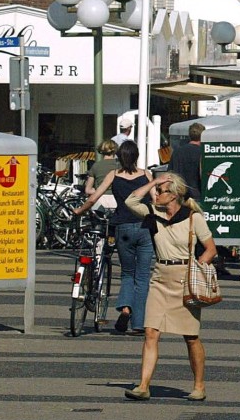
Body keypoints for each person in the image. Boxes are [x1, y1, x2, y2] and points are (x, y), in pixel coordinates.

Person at [122, 172, 217, 401]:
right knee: (151, 332)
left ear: (173, 195)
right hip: (160, 278)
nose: (155, 194)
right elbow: (130, 201)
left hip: (184, 279)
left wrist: (197, 267)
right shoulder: (153, 214)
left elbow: (210, 249)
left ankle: (199, 386)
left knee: (190, 336)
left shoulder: (194, 218)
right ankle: (143, 385)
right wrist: (154, 182)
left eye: (160, 191)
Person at [77, 139, 152, 335]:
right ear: (136, 157)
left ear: (119, 157)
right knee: (142, 276)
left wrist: (79, 211)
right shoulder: (146, 175)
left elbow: (93, 197)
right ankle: (138, 324)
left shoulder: (114, 175)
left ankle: (126, 307)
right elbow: (156, 199)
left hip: (123, 227)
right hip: (145, 228)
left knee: (127, 273)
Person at [170, 123, 205, 198]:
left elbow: (170, 174)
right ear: (203, 136)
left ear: (189, 135)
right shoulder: (203, 153)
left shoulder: (177, 152)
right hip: (198, 195)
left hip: (180, 194)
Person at [85, 139, 120, 208]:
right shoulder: (120, 166)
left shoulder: (96, 166)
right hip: (117, 200)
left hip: (100, 201)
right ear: (115, 151)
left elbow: (88, 190)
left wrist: (99, 190)